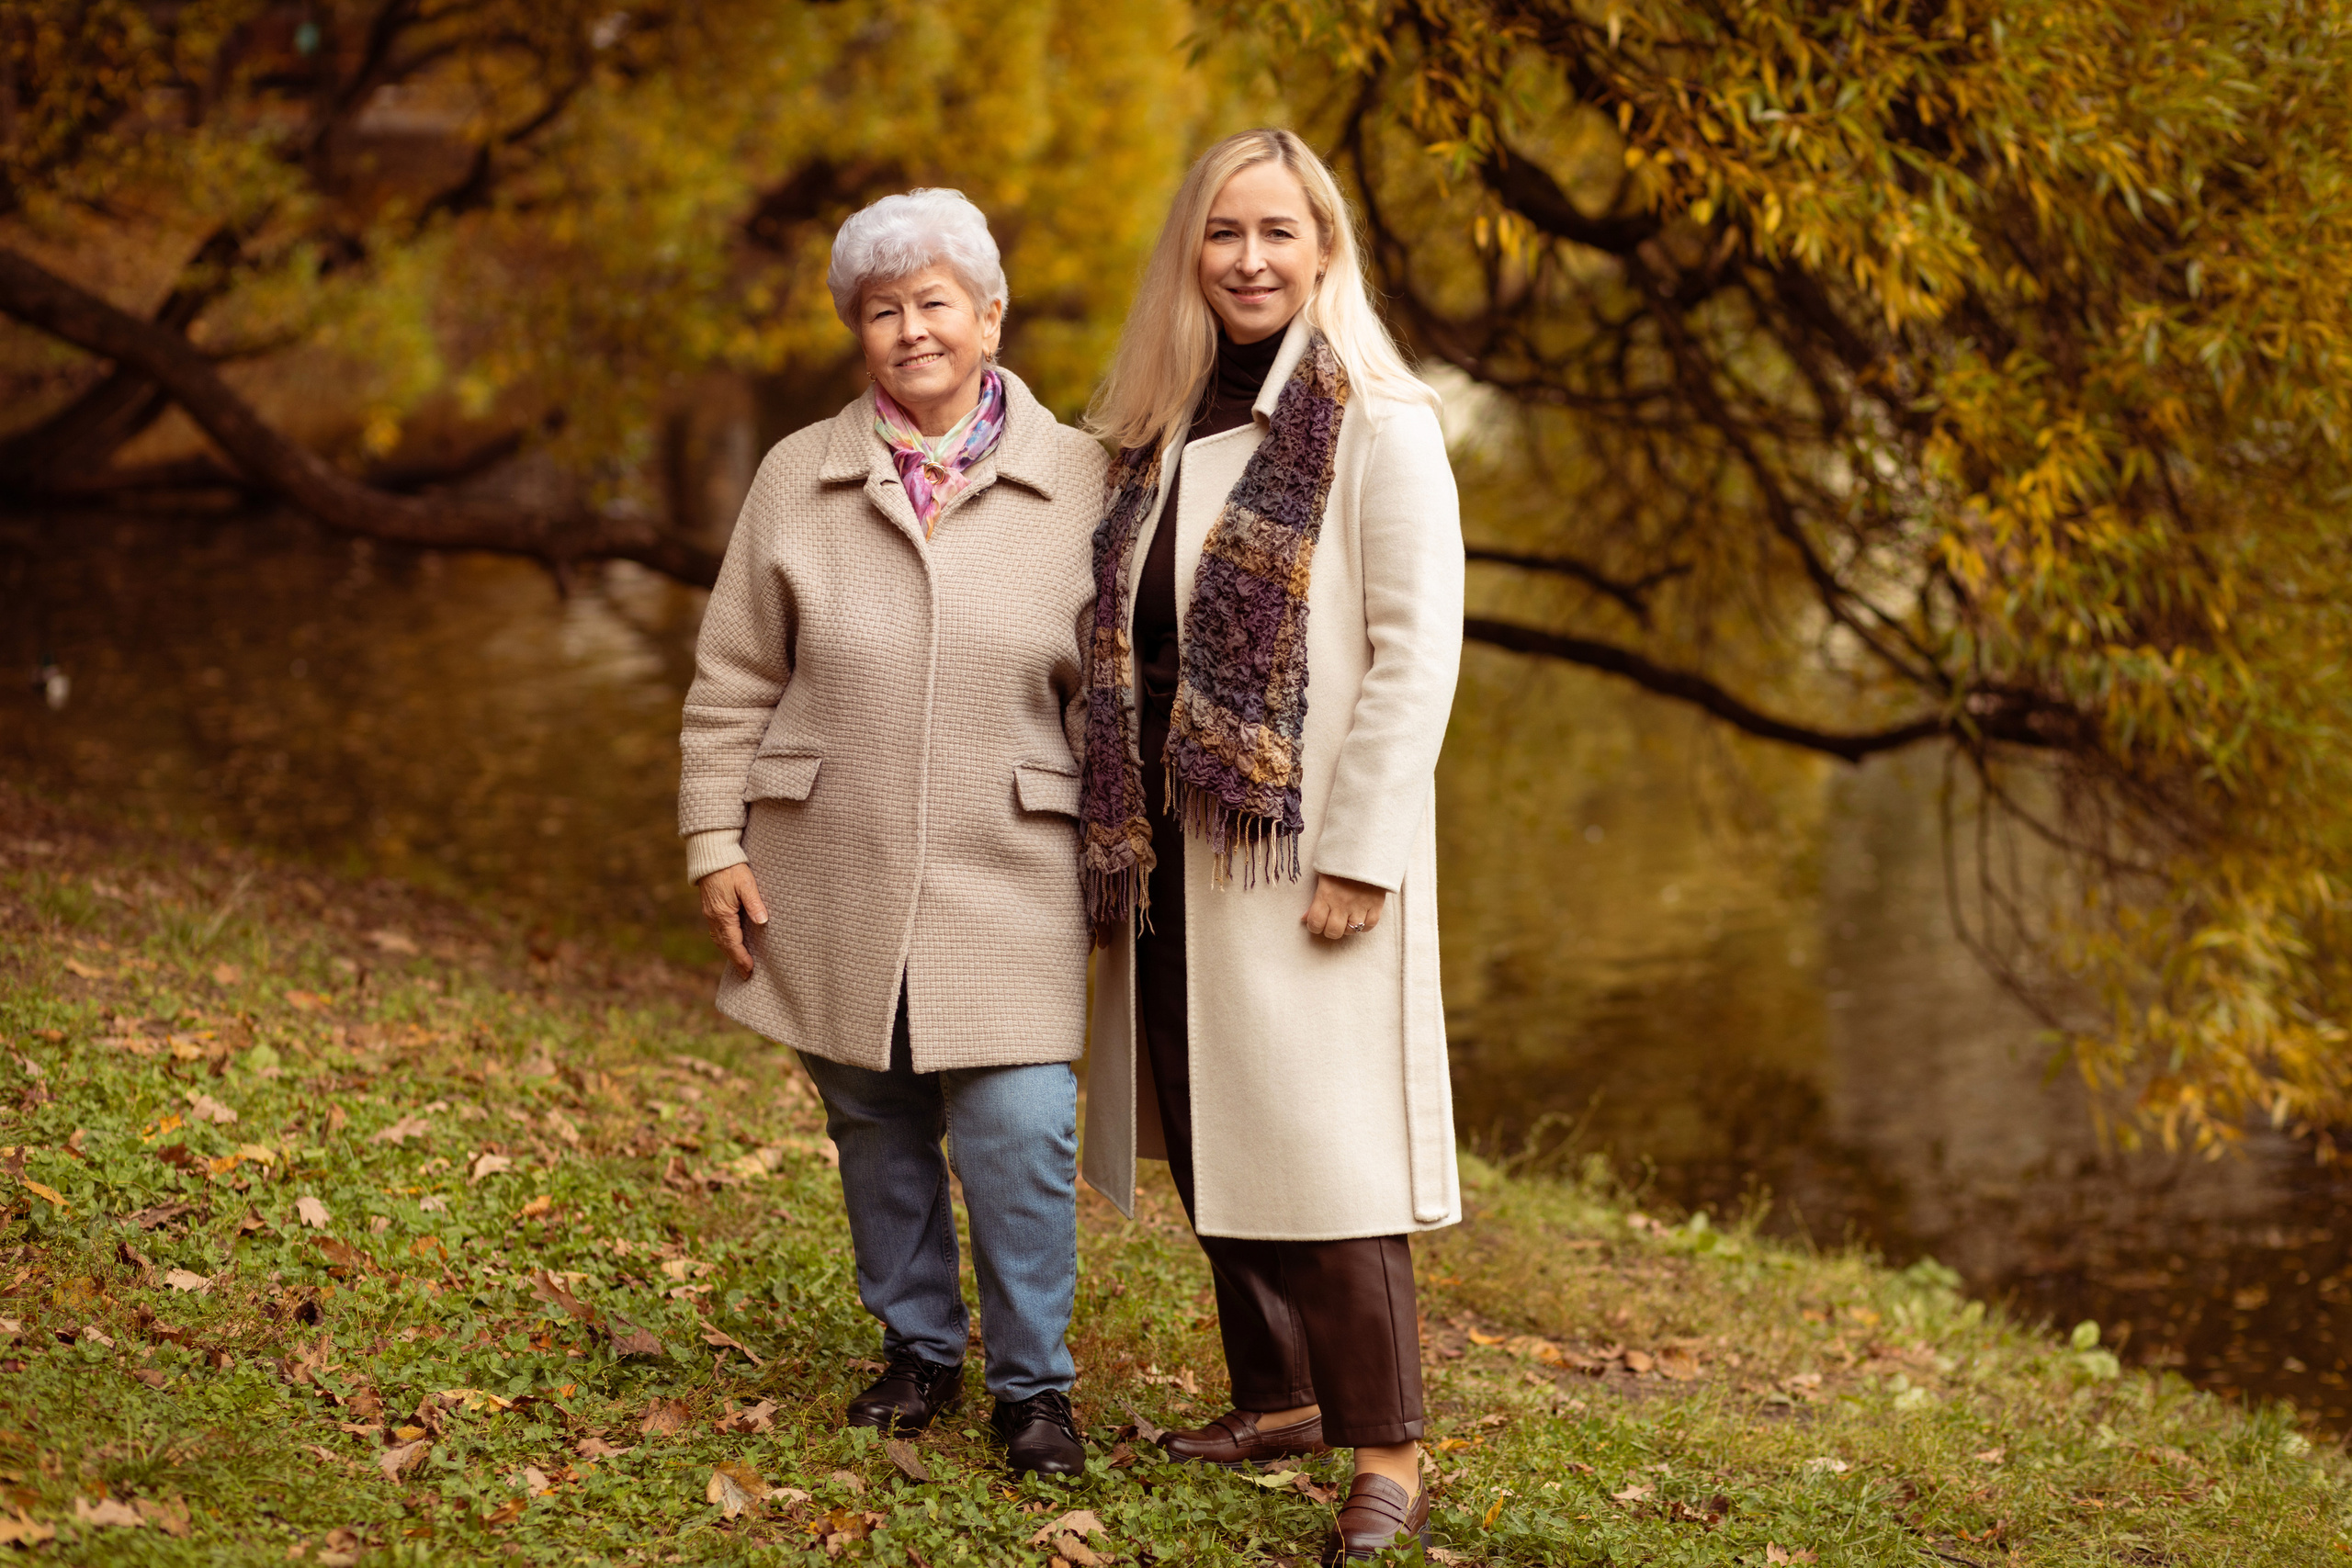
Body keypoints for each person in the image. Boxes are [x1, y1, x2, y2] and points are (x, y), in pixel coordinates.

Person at [1077, 129, 1465, 1561]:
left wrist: (1365, 851)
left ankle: (1388, 1450)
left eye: (1278, 234)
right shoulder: (1159, 422)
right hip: (1169, 831)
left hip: (1298, 846)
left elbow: (1416, 656)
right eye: (1225, 233)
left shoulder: (1380, 416)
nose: (1250, 260)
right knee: (1206, 1115)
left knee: (1326, 1144)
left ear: (1325, 250)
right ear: (1194, 250)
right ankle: (1277, 1395)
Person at [678, 187, 1105, 1477]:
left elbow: (1122, 696)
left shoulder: (1085, 478)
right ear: (857, 331)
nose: (910, 330)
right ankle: (918, 1349)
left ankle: (1034, 1388)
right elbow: (733, 678)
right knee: (872, 1114)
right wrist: (715, 840)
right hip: (830, 857)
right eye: (882, 310)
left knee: (1021, 1128)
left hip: (1016, 862)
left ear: (989, 314)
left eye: (932, 303)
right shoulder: (796, 476)